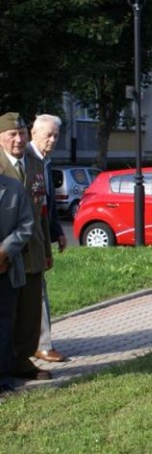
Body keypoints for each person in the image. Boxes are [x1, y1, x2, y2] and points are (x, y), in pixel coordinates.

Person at [0, 112, 52, 381]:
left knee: (31, 310)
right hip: (5, 254)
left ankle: (22, 360)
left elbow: (40, 208)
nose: (19, 140)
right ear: (0, 139)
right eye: (12, 134)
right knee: (7, 312)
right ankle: (6, 363)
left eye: (21, 133)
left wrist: (48, 249)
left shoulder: (34, 162)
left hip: (32, 249)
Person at [27, 114, 67, 363]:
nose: (52, 140)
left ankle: (38, 343)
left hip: (40, 235)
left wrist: (58, 231)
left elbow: (46, 202)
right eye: (48, 135)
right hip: (26, 238)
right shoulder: (27, 159)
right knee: (36, 294)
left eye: (56, 136)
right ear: (34, 134)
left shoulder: (45, 161)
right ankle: (42, 344)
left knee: (36, 292)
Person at [0, 174, 34, 394]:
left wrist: (3, 253)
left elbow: (26, 226)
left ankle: (2, 376)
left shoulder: (14, 188)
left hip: (6, 269)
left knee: (3, 324)